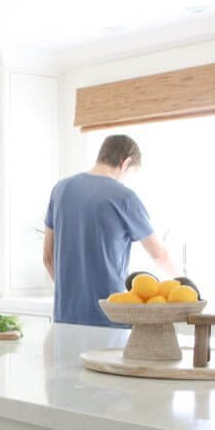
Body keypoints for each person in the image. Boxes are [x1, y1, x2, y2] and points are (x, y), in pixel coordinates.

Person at [43, 134, 179, 326]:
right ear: (126, 162)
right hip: (109, 318)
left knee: (67, 358)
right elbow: (159, 254)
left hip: (65, 317)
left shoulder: (60, 189)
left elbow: (47, 256)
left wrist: (71, 294)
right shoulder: (124, 197)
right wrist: (183, 286)